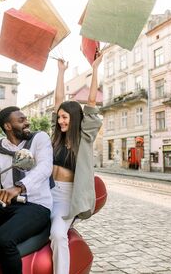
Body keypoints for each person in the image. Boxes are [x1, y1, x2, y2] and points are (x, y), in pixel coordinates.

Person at [0, 106, 53, 274]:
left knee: (3, 240)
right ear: (8, 126)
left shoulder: (39, 139)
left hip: (36, 206)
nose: (27, 122)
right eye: (21, 120)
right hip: (6, 205)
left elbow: (45, 167)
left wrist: (20, 187)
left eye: (26, 119)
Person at [50, 53, 103, 274]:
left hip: (66, 198)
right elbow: (58, 100)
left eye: (65, 117)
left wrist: (95, 67)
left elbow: (91, 103)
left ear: (75, 118)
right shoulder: (57, 136)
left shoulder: (85, 137)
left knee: (59, 235)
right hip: (46, 193)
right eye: (59, 117)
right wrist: (61, 72)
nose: (61, 120)